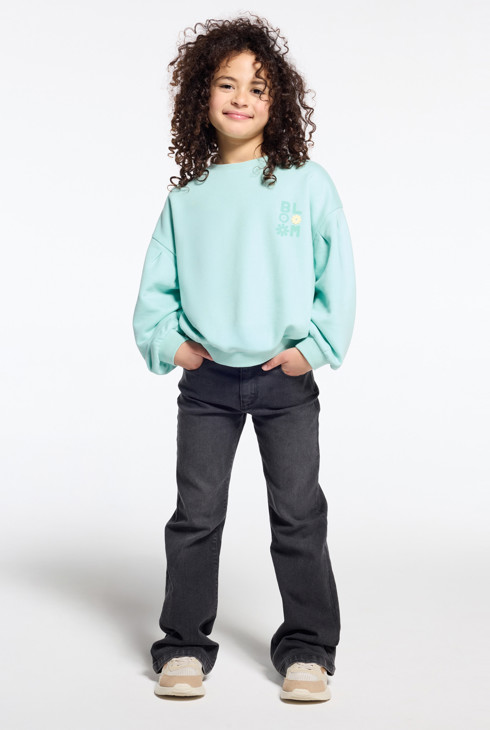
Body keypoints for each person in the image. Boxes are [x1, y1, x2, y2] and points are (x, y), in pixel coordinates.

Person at [132, 13, 356, 702]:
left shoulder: (305, 183)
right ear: (201, 95)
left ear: (277, 102)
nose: (241, 98)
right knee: (196, 515)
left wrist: (314, 350)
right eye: (226, 84)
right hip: (207, 386)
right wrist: (173, 347)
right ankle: (183, 644)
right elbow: (155, 292)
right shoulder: (186, 199)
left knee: (298, 513)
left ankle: (308, 648)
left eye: (257, 88)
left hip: (284, 381)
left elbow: (337, 274)